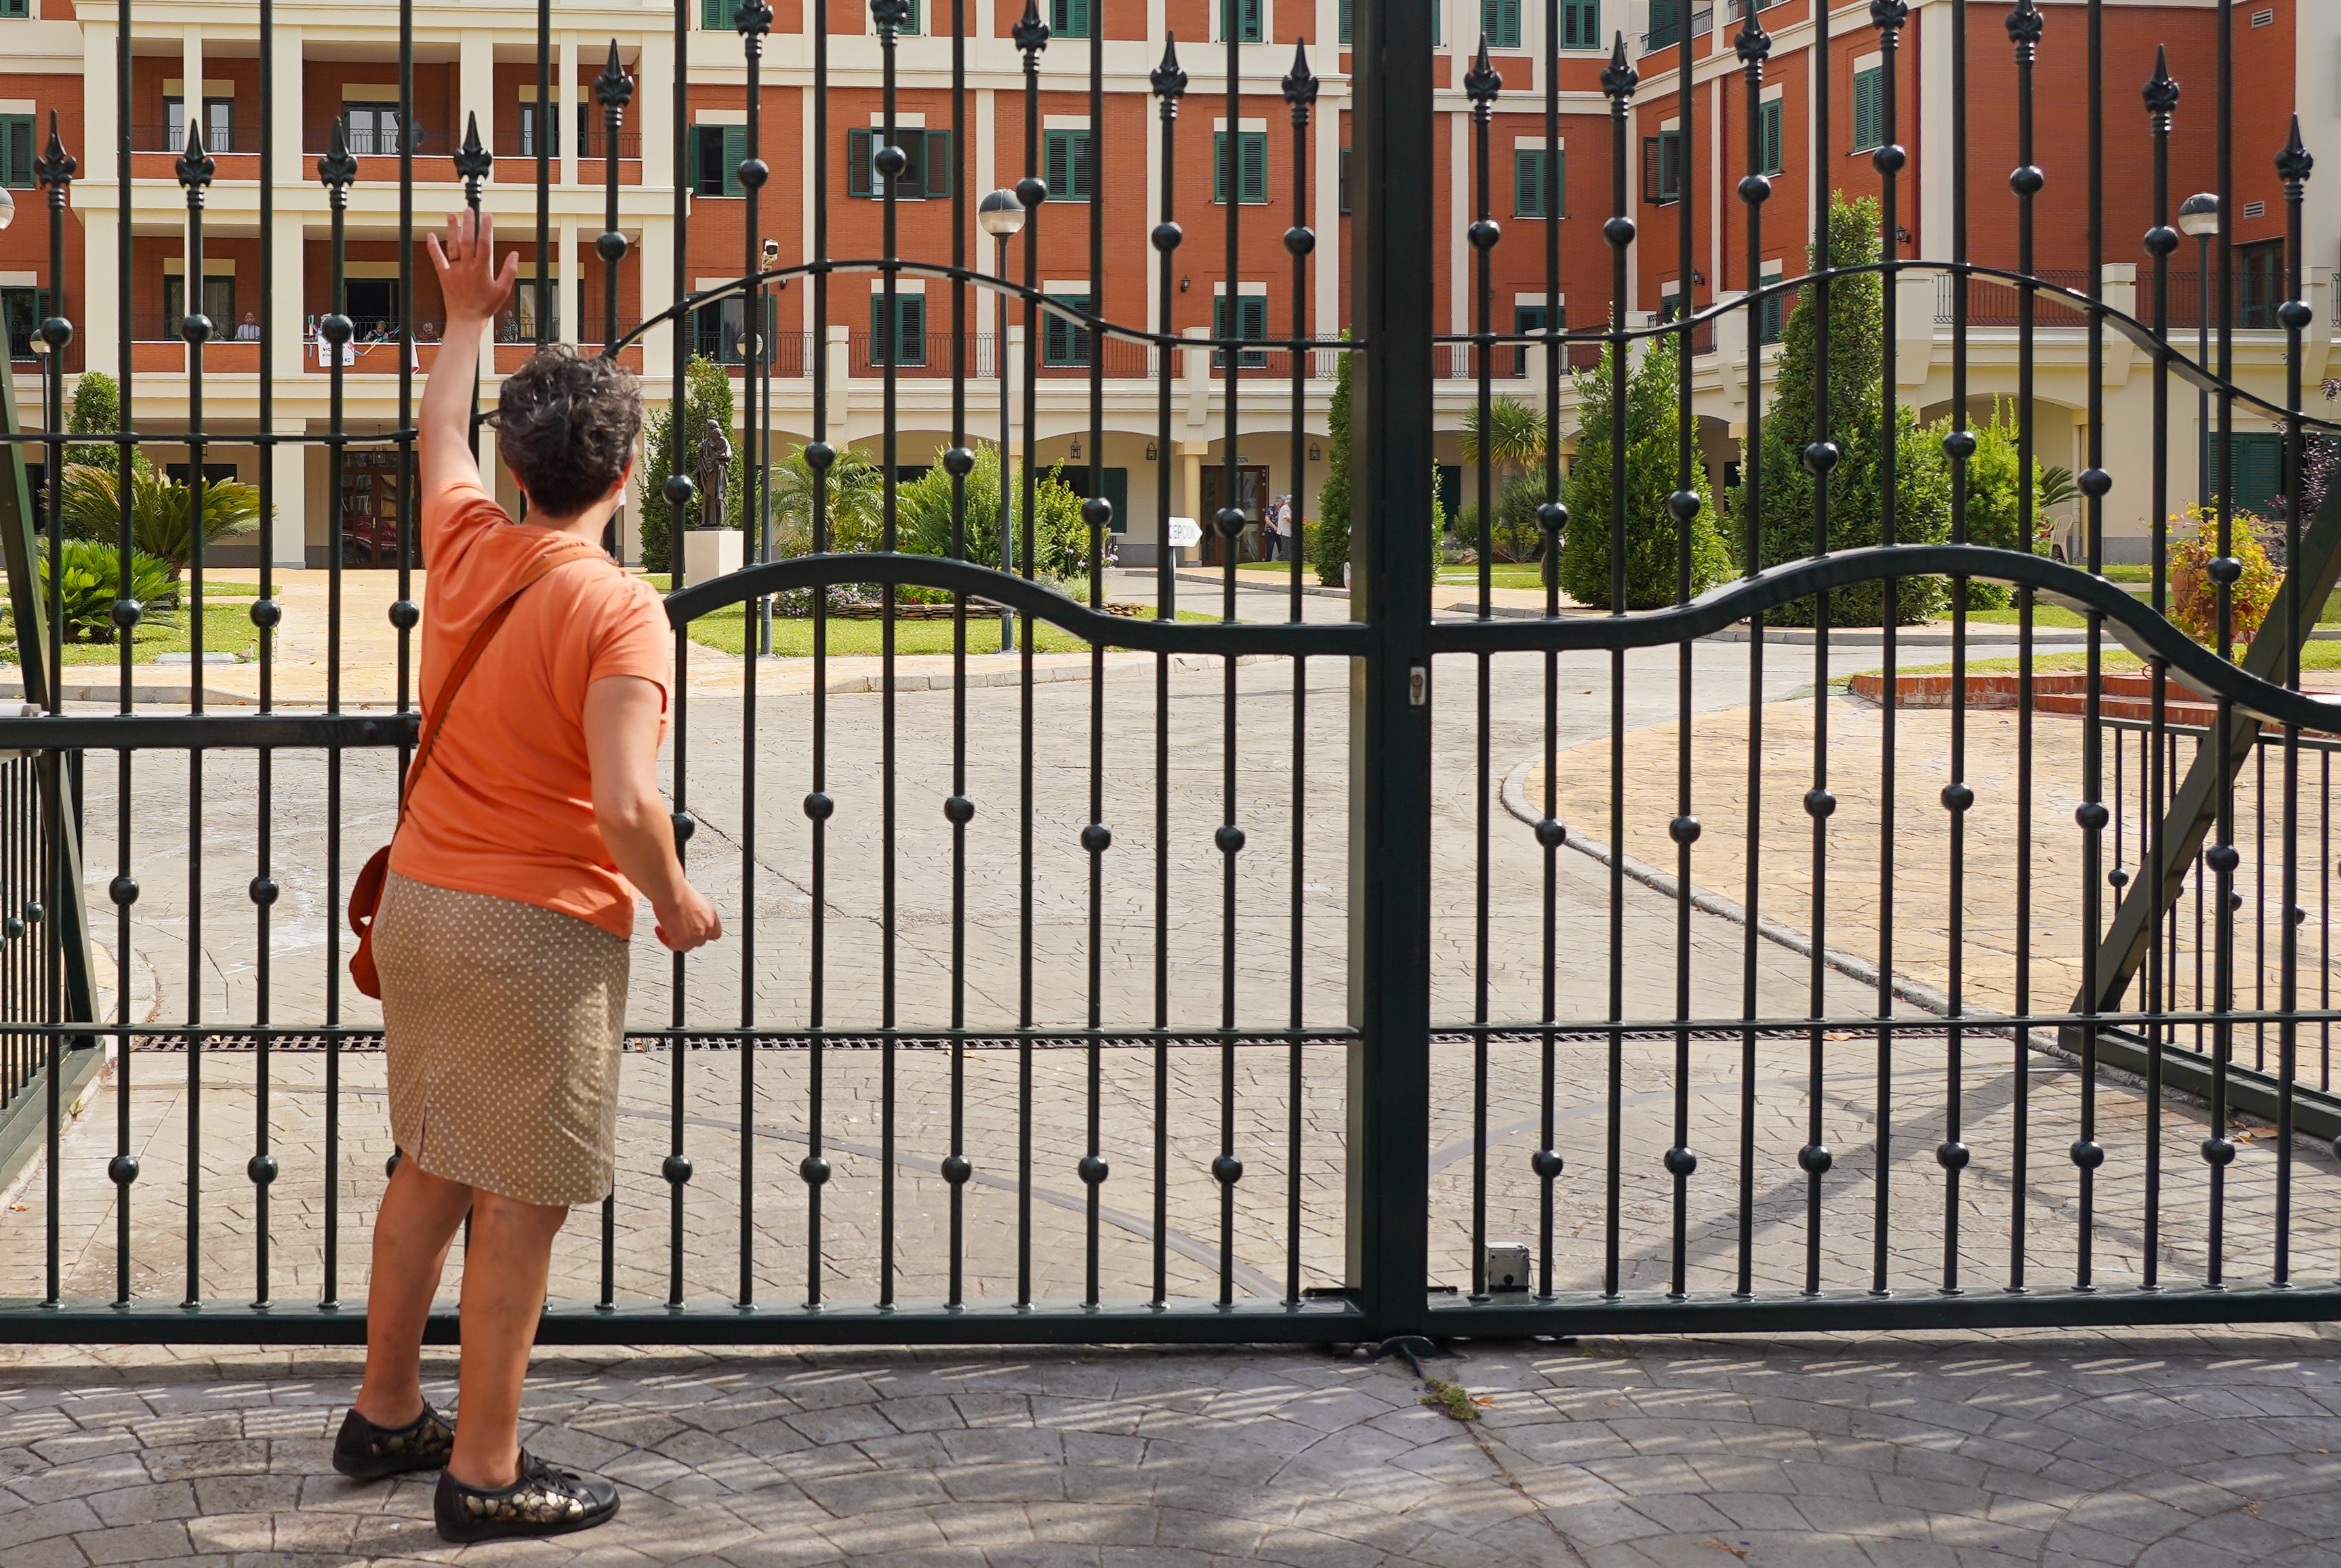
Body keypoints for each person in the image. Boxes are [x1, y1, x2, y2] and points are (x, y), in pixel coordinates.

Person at [331, 209, 720, 1544]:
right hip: (532, 930)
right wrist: (674, 902)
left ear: (520, 462)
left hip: (425, 902)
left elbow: (435, 434)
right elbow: (624, 799)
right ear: (622, 470)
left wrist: (466, 320)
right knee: (521, 1205)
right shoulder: (617, 605)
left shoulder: (470, 544)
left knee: (430, 1167)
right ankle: (485, 1468)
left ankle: (389, 1409)